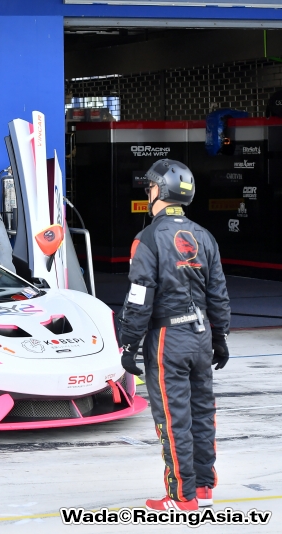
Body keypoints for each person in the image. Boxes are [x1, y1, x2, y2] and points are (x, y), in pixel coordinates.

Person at [118, 159, 230, 511]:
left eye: (150, 187)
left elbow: (140, 296)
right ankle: (204, 488)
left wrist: (128, 344)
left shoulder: (147, 238)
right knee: (201, 413)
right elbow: (219, 293)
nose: (148, 193)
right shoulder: (205, 236)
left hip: (168, 338)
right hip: (201, 337)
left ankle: (181, 497)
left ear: (159, 191)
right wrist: (221, 336)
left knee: (173, 417)